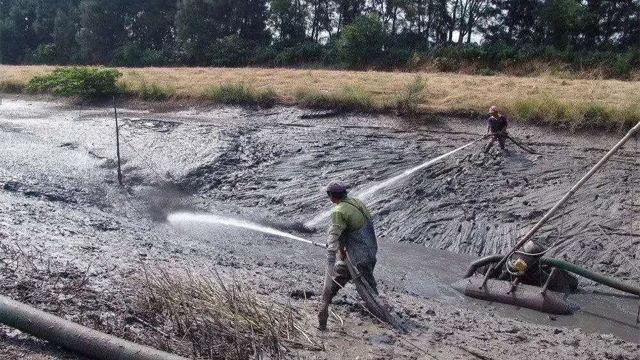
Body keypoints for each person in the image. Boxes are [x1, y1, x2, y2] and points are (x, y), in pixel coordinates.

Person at [318, 181, 378, 331]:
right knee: (342, 275)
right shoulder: (357, 202)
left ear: (331, 196)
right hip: (370, 250)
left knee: (366, 285)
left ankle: (378, 311)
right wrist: (342, 249)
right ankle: (325, 301)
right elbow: (351, 229)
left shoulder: (339, 211)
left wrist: (332, 247)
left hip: (358, 255)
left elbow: (335, 233)